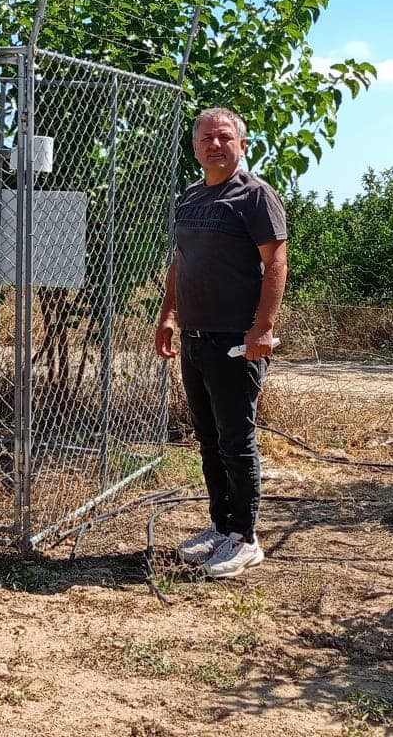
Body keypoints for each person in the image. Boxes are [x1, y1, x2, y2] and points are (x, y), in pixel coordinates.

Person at [155, 107, 287, 579]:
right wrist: (169, 314)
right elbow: (181, 259)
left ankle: (245, 537)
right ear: (195, 148)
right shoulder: (191, 198)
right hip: (195, 336)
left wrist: (262, 328)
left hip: (236, 340)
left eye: (225, 137)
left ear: (242, 144)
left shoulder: (255, 196)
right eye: (206, 138)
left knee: (236, 440)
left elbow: (275, 263)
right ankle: (220, 525)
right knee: (208, 439)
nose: (215, 144)